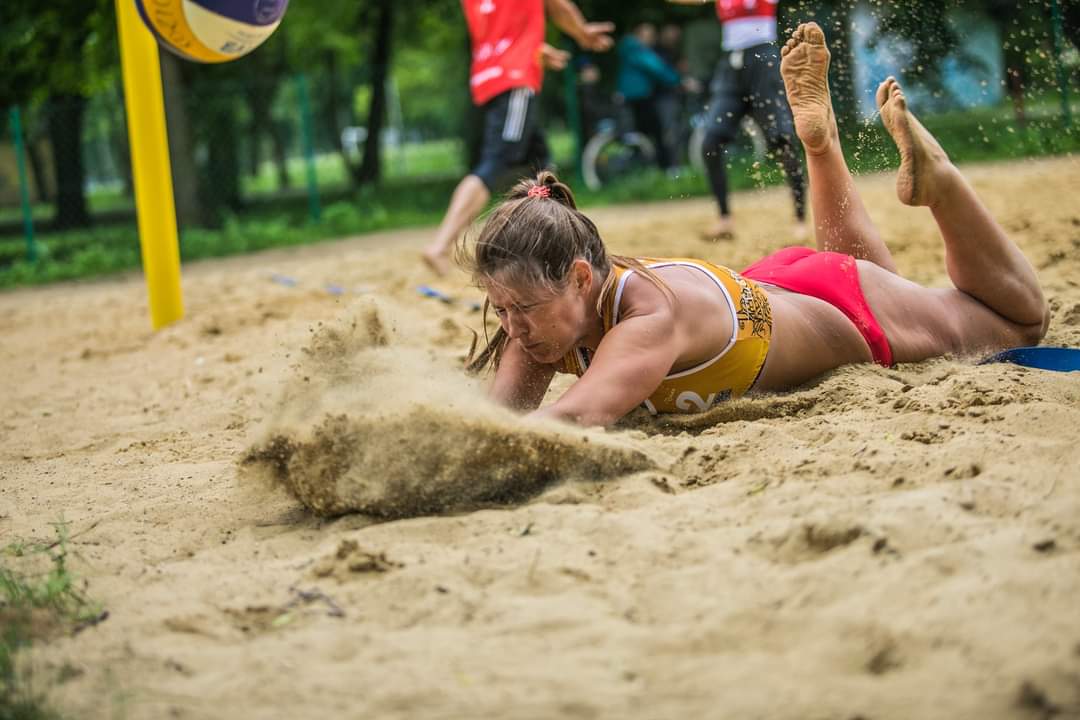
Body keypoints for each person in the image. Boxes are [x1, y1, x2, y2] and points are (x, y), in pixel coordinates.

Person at [459, 22, 1050, 427]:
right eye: (501, 308)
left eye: (522, 309)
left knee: (1022, 322)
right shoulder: (544, 314)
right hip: (780, 290)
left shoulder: (647, 318)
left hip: (843, 314)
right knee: (877, 276)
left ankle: (942, 183)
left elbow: (571, 419)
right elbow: (497, 424)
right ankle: (820, 145)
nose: (512, 326)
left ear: (580, 277)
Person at [421, 0, 614, 276]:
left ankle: (552, 241)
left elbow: (500, 27)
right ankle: (440, 245)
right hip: (514, 78)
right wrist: (581, 31)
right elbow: (557, 5)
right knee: (495, 162)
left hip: (489, 75)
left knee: (542, 167)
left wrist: (534, 49)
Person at [669, 0, 807, 240]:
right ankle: (724, 219)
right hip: (732, 65)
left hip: (763, 60)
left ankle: (801, 218)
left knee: (782, 140)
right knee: (710, 143)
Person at [616, 21, 683, 171]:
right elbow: (656, 67)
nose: (652, 40)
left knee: (642, 134)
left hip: (632, 97)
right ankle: (666, 167)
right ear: (639, 35)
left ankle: (646, 166)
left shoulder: (628, 48)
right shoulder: (637, 49)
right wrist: (678, 80)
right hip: (639, 98)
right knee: (656, 132)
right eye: (649, 36)